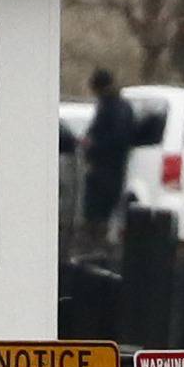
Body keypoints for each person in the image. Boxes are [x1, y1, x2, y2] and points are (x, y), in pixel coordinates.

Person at [80, 69, 136, 251]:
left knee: (97, 214)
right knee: (101, 213)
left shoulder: (112, 107)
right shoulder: (119, 105)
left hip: (105, 169)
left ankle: (97, 250)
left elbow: (116, 138)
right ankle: (98, 247)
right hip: (112, 169)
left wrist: (92, 146)